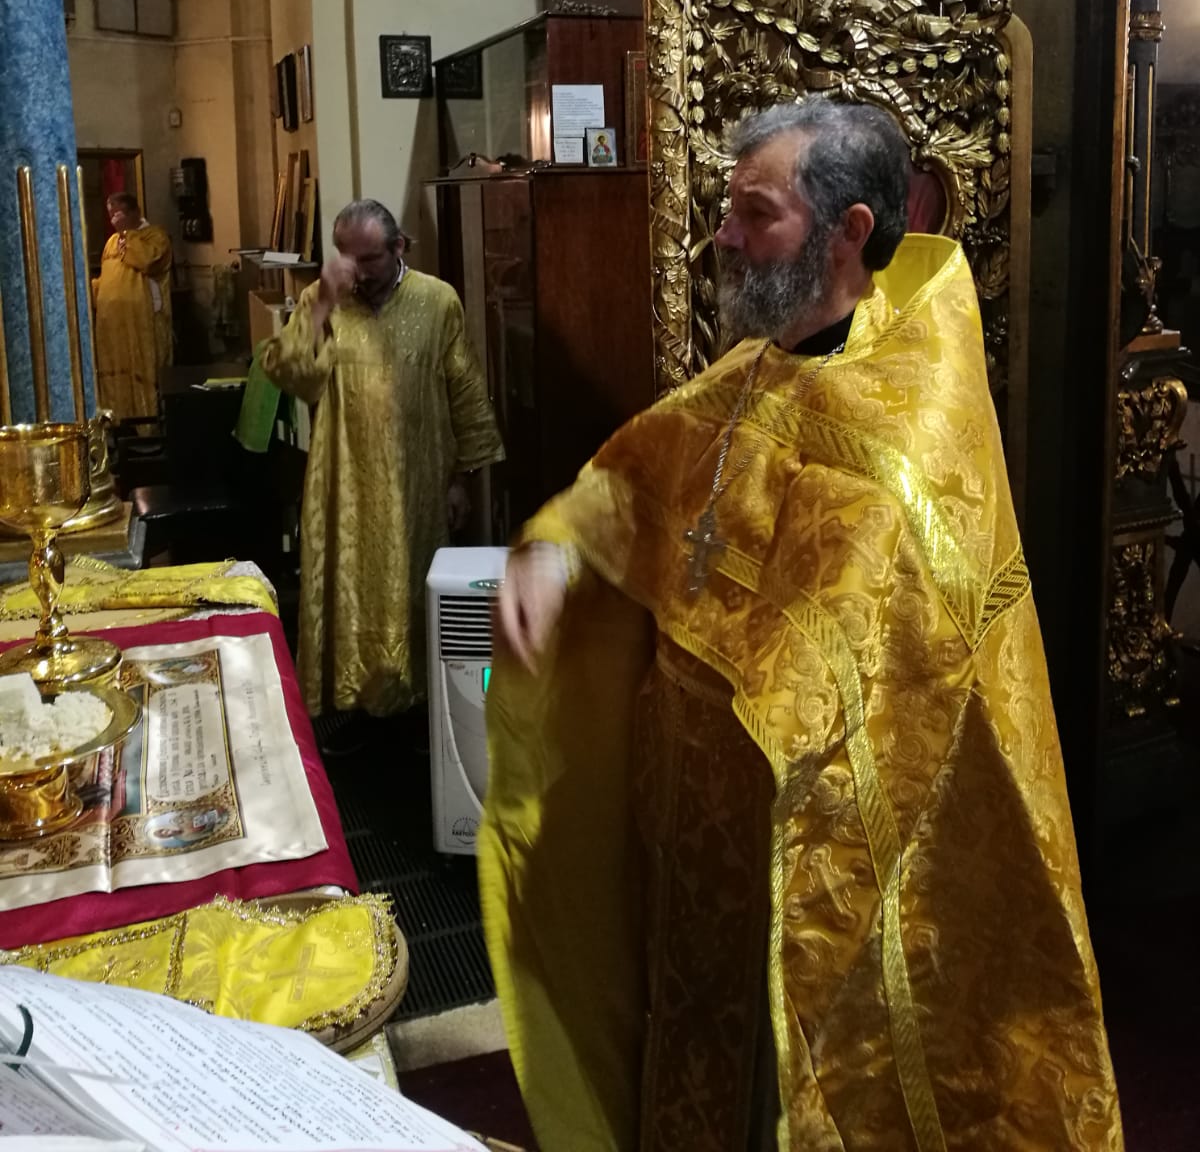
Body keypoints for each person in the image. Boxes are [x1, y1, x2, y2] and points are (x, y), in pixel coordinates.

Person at [482, 99, 1122, 1151]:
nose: (724, 237)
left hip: (808, 843)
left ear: (848, 230)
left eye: (755, 213)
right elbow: (636, 481)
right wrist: (558, 554)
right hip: (689, 825)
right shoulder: (753, 370)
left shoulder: (911, 424)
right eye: (729, 209)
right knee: (689, 1047)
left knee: (783, 1090)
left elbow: (876, 650)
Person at [262, 198, 504, 726]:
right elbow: (290, 374)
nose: (357, 271)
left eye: (369, 258)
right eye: (345, 256)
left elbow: (464, 389)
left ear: (399, 247)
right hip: (343, 482)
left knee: (415, 589)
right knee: (347, 594)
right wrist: (322, 305)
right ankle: (347, 711)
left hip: (418, 481)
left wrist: (462, 479)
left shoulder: (437, 300)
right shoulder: (322, 300)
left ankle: (418, 710)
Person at [94, 191, 173, 421]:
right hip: (112, 324)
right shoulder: (111, 242)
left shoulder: (155, 237)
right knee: (115, 376)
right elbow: (108, 276)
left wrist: (127, 234)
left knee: (143, 373)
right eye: (111, 215)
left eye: (119, 213)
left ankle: (148, 426)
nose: (114, 219)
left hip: (141, 322)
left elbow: (146, 261)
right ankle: (117, 423)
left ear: (135, 212)